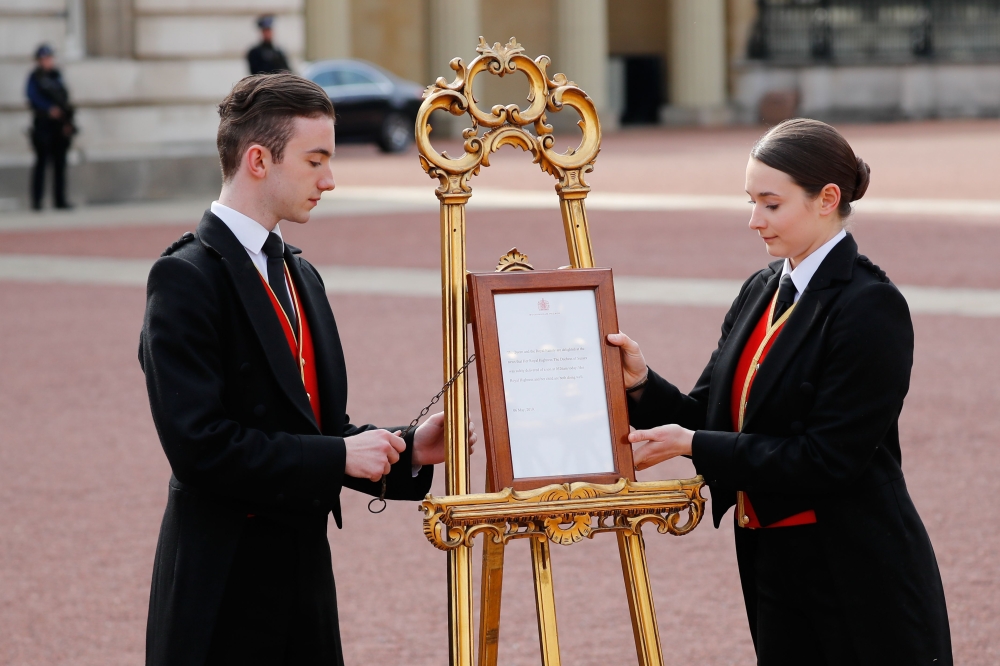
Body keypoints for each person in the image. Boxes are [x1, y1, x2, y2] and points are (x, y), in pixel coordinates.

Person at [139, 72, 476, 666]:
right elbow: (200, 447)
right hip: (222, 585)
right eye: (315, 159)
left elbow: (318, 430)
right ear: (259, 159)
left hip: (304, 584)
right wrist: (338, 457)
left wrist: (407, 448)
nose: (330, 180)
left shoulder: (300, 272)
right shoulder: (184, 279)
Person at [608, 118, 951, 665]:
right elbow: (711, 416)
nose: (754, 221)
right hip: (772, 562)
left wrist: (690, 444)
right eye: (751, 202)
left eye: (771, 204)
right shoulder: (762, 287)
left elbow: (826, 459)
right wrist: (642, 383)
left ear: (827, 199)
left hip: (857, 572)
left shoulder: (871, 306)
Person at [25, 44, 74, 210]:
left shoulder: (57, 76)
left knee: (60, 164)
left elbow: (65, 98)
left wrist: (67, 121)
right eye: (44, 59)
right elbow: (32, 98)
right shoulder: (35, 78)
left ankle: (60, 200)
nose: (47, 61)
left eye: (49, 58)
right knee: (41, 163)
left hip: (58, 126)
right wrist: (48, 109)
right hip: (43, 125)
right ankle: (37, 202)